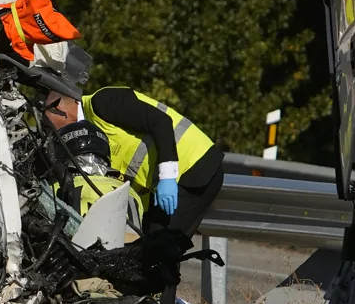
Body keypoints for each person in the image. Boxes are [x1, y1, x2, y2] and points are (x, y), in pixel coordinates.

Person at [46, 86, 223, 238]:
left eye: (50, 123)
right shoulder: (87, 135)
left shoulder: (102, 102)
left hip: (194, 167)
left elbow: (161, 121)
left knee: (162, 250)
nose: (53, 132)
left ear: (59, 107)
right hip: (167, 184)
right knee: (147, 249)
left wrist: (167, 177)